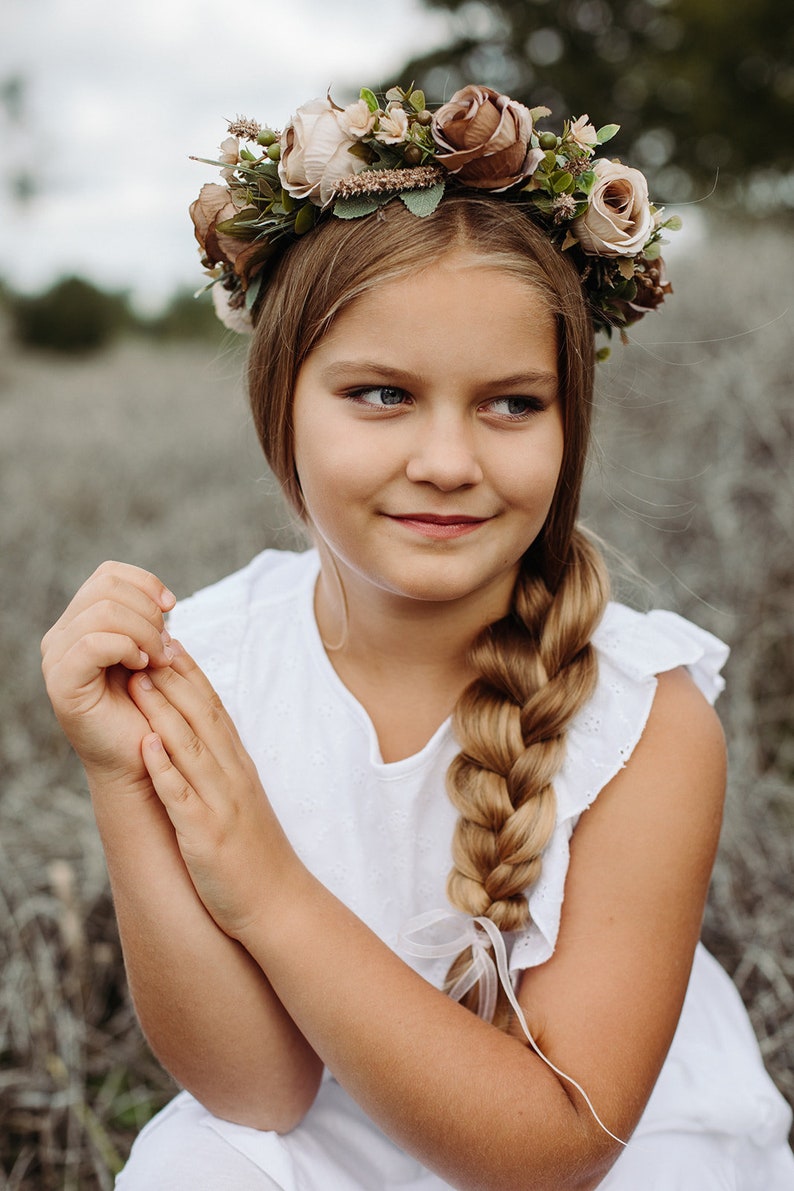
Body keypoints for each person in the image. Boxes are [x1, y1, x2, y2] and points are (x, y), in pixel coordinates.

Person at [41, 84, 794, 1190]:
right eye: (382, 394)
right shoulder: (210, 659)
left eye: (509, 404)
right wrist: (120, 774)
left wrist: (269, 889)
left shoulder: (643, 715)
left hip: (602, 1147)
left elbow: (554, 1147)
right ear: (279, 404)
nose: (446, 459)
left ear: (567, 420)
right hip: (337, 1119)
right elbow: (258, 1092)